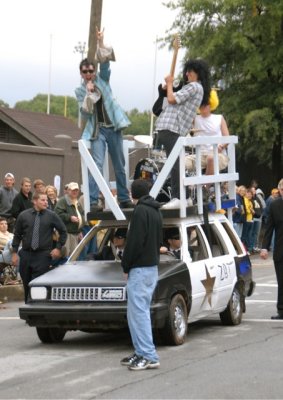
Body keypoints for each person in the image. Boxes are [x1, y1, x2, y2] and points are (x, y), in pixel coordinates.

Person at [75, 27, 132, 212]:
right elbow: (84, 114)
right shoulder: (80, 91)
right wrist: (89, 94)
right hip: (97, 130)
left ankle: (124, 198)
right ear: (81, 73)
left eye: (91, 70)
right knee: (96, 164)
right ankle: (93, 200)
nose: (89, 74)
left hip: (113, 127)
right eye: (85, 71)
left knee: (119, 165)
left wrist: (100, 42)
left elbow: (106, 63)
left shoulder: (103, 79)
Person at [155, 59, 211, 209]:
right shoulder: (197, 89)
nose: (186, 74)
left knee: (175, 164)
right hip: (174, 128)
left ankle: (178, 197)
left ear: (197, 72)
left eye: (189, 71)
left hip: (171, 127)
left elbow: (172, 99)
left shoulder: (194, 86)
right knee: (177, 163)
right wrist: (168, 87)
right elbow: (170, 100)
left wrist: (169, 83)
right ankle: (184, 197)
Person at [121, 179, 163, 371]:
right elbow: (157, 239)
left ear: (133, 194)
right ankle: (140, 351)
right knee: (136, 313)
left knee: (139, 313)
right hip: (151, 265)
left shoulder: (139, 211)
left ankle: (148, 355)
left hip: (139, 267)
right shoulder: (155, 210)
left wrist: (125, 264)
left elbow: (134, 242)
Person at [11, 192, 67, 302]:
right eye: (43, 200)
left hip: (43, 255)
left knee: (38, 284)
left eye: (46, 200)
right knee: (26, 284)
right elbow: (17, 235)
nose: (46, 202)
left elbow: (63, 231)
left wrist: (58, 248)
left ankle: (38, 308)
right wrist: (14, 253)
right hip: (26, 254)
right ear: (34, 201)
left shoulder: (51, 215)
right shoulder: (23, 215)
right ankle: (28, 309)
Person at [260, 179, 283, 320]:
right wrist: (264, 247)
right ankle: (282, 310)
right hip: (281, 249)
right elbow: (269, 228)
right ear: (280, 190)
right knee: (282, 281)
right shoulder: (275, 205)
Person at [185, 103, 229, 175]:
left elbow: (227, 137)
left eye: (206, 104)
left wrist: (221, 146)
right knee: (181, 162)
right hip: (200, 155)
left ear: (211, 104)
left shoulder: (219, 118)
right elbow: (186, 113)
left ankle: (206, 186)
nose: (203, 106)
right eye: (201, 104)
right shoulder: (195, 118)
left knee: (210, 158)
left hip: (218, 155)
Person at [55, 182, 85, 256]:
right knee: (65, 255)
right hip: (66, 234)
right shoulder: (62, 201)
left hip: (75, 233)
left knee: (73, 256)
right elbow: (57, 214)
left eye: (76, 190)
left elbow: (81, 215)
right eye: (72, 190)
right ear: (68, 190)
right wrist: (69, 218)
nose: (75, 192)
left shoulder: (77, 202)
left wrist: (80, 231)